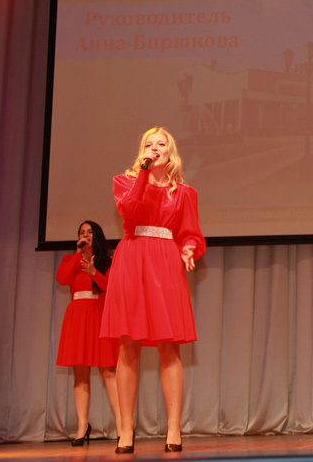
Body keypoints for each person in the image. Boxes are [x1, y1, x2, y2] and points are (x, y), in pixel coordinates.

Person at [100, 127, 206, 454]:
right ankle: (125, 430)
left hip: (165, 262)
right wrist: (143, 173)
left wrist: (189, 248)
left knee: (168, 346)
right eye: (149, 144)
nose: (155, 148)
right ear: (142, 151)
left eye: (161, 144)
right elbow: (129, 211)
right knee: (128, 345)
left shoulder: (185, 193)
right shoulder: (126, 181)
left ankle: (173, 428)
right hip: (132, 259)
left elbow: (191, 232)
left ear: (171, 153)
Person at [55, 220, 121, 444]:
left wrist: (94, 272)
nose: (85, 235)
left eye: (89, 232)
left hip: (99, 315)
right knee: (80, 375)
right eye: (82, 232)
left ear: (97, 235)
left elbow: (111, 288)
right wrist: (77, 254)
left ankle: (122, 424)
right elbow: (62, 279)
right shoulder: (70, 260)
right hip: (77, 317)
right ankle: (82, 426)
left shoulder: (107, 262)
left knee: (108, 371)